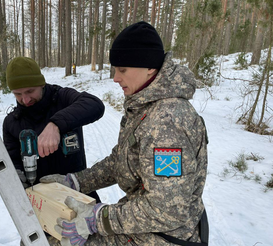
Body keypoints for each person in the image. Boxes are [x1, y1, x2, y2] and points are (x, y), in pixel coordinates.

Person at [40, 21, 209, 246]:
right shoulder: (146, 106)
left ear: (149, 67)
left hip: (162, 236)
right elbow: (121, 159)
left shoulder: (167, 121)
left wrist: (96, 220)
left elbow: (167, 210)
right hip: (142, 225)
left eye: (123, 70)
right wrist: (77, 181)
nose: (116, 78)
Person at [2, 57, 104, 202]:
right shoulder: (12, 122)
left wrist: (55, 125)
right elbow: (13, 159)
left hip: (78, 190)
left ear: (41, 84)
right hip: (42, 199)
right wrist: (17, 176)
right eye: (18, 94)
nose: (25, 99)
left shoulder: (62, 98)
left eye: (30, 91)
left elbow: (95, 105)